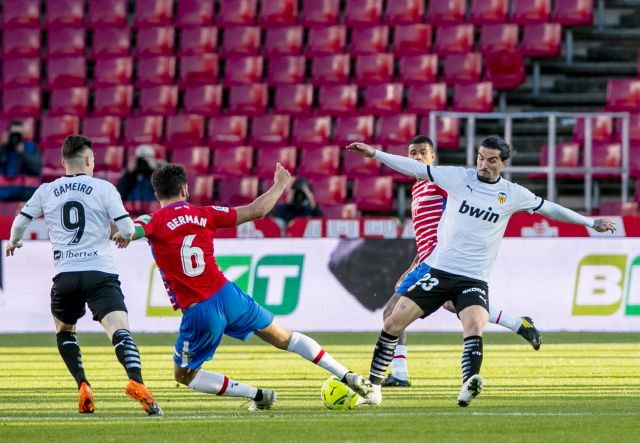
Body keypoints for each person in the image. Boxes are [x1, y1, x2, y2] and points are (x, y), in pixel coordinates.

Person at [346, 136, 615, 407]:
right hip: (438, 270)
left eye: (491, 160)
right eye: (480, 158)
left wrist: (590, 222)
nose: (483, 165)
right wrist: (375, 153)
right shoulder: (457, 178)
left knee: (474, 325)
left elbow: (550, 209)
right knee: (392, 322)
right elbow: (414, 168)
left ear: (504, 163)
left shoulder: (512, 194)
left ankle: (467, 385)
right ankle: (374, 390)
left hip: (473, 277)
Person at [112, 163, 371, 411]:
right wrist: (280, 185)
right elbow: (257, 210)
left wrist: (124, 234)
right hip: (227, 295)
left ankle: (257, 395)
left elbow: (132, 230)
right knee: (285, 337)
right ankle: (346, 374)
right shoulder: (205, 213)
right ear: (185, 190)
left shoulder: (153, 220)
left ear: (156, 194)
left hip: (199, 310)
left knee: (184, 375)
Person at [5, 135, 162, 416]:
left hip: (65, 275)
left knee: (65, 331)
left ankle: (83, 385)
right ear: (89, 159)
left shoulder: (46, 190)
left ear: (63, 161)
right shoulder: (104, 188)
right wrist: (121, 235)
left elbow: (19, 222)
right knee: (119, 330)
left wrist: (14, 242)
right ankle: (136, 381)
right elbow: (127, 230)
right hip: (100, 273)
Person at [380, 135, 541, 388]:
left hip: (444, 262)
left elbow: (462, 205)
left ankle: (399, 373)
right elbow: (427, 233)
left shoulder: (438, 183)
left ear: (433, 157)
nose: (417, 157)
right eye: (413, 153)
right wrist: (413, 263)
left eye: (423, 152)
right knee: (455, 306)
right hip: (427, 259)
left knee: (392, 311)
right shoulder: (418, 188)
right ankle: (519, 323)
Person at [0, 120, 42, 201]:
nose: (16, 137)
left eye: (18, 134)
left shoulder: (31, 147)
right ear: (9, 134)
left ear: (23, 134)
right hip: (5, 191)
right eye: (13, 134)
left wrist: (23, 153)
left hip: (27, 192)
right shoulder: (3, 149)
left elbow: (37, 169)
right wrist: (3, 146)